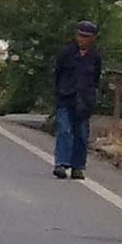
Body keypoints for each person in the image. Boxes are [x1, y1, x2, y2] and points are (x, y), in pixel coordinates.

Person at [50, 19, 103, 179]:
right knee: (64, 130)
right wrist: (59, 92)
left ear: (93, 38)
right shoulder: (66, 53)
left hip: (84, 101)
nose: (82, 39)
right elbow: (57, 74)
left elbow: (96, 78)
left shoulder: (95, 57)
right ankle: (61, 164)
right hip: (66, 97)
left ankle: (78, 167)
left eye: (86, 36)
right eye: (80, 35)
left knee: (81, 134)